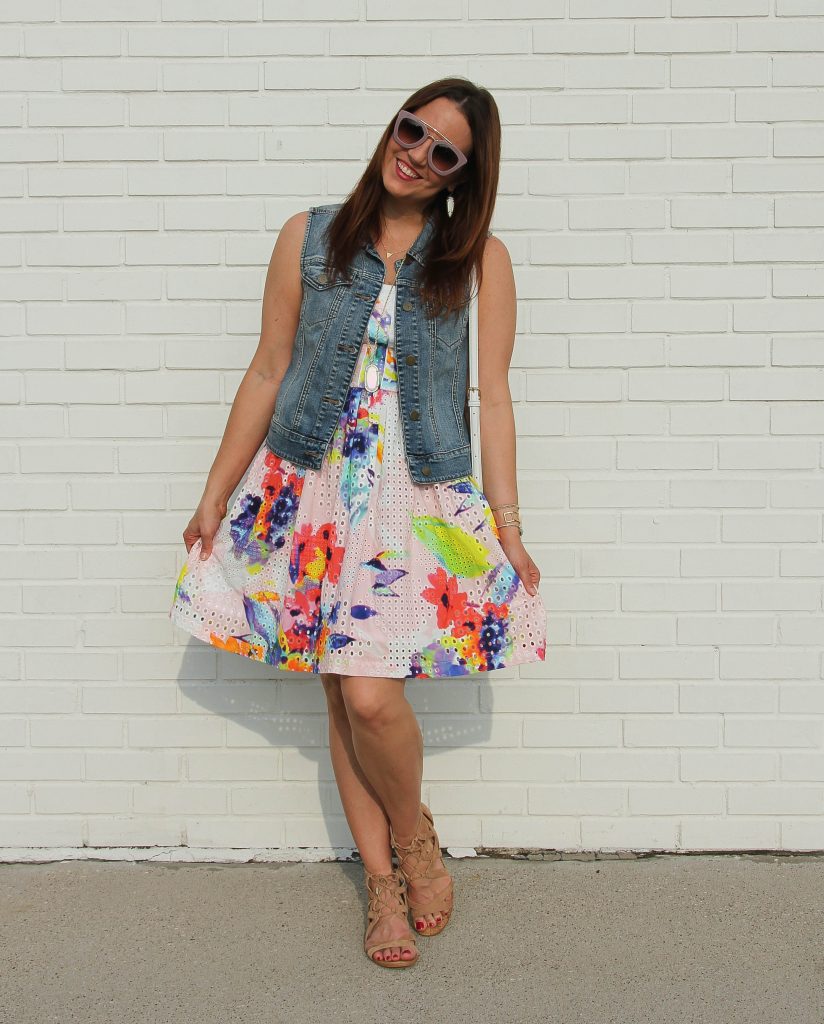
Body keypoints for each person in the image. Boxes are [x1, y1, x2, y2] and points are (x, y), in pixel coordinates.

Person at [170, 76, 547, 969]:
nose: (415, 152)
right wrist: (215, 489)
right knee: (343, 690)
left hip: (415, 498)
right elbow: (268, 370)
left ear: (465, 173)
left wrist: (509, 524)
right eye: (411, 129)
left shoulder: (480, 260)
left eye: (442, 149)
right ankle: (385, 884)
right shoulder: (309, 237)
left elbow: (494, 398)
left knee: (372, 696)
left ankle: (413, 839)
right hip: (309, 485)